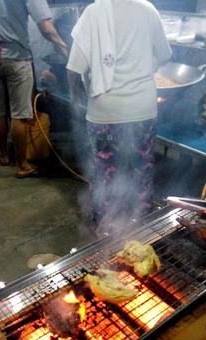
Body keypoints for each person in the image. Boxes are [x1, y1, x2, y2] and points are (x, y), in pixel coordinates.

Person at [67, 0, 172, 234]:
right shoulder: (148, 10)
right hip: (141, 109)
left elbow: (74, 68)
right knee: (140, 172)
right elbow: (165, 54)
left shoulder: (94, 12)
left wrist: (76, 97)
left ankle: (105, 231)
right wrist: (145, 67)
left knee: (105, 174)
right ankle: (142, 228)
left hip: (105, 110)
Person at [0, 0, 68, 177]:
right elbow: (47, 28)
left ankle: (3, 155)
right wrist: (66, 49)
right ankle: (22, 165)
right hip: (16, 57)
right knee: (20, 113)